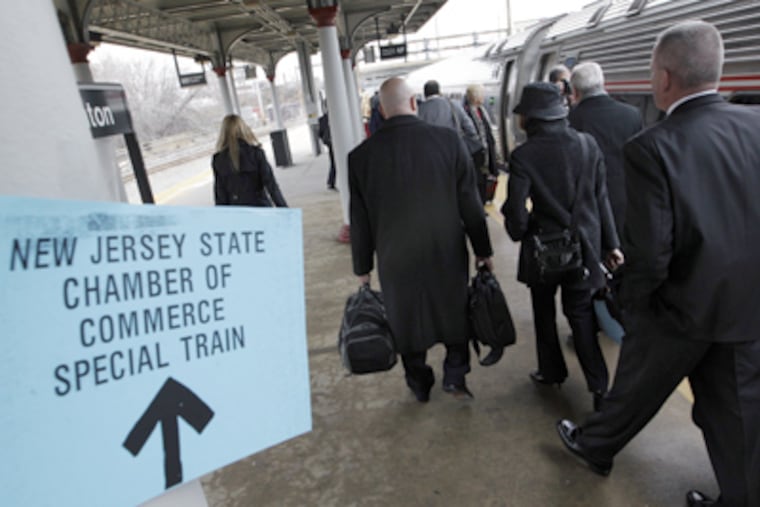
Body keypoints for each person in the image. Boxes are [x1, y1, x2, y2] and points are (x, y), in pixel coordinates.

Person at [556, 21, 760, 507]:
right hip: (747, 303)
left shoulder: (652, 147)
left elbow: (652, 254)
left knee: (637, 380)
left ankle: (596, 446)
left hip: (683, 306)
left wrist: (627, 298)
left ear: (664, 78)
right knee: (737, 413)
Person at [349, 77, 494, 402]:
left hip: (394, 256)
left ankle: (419, 382)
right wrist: (483, 250)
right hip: (445, 249)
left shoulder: (360, 157)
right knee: (454, 311)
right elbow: (470, 203)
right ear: (414, 102)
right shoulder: (448, 141)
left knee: (405, 319)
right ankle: (455, 376)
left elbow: (360, 220)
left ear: (382, 111)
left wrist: (362, 266)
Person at [501, 82, 623, 411]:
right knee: (582, 317)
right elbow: (601, 200)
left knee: (544, 313)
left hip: (544, 251)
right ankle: (599, 388)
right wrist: (611, 244)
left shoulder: (524, 155)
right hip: (584, 249)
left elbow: (515, 210)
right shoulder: (588, 145)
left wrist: (520, 231)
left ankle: (551, 370)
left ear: (530, 118)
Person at [569, 62, 643, 236]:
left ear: (576, 92)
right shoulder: (632, 115)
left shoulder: (570, 120)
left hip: (587, 208)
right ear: (603, 84)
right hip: (625, 202)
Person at [212, 114, 288, 207]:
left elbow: (220, 194)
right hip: (260, 208)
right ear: (243, 129)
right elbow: (271, 186)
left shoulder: (218, 159)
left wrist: (222, 217)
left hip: (237, 213)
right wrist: (285, 211)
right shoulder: (256, 153)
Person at [417, 79, 484, 158]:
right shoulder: (453, 105)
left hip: (430, 157)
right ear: (439, 92)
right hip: (454, 154)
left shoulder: (419, 111)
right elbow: (471, 129)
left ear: (425, 94)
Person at [464, 84, 499, 204]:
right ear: (475, 97)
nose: (484, 96)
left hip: (486, 152)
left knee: (484, 178)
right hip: (475, 153)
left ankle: (483, 201)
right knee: (477, 180)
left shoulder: (481, 110)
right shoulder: (467, 112)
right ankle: (479, 204)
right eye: (482, 94)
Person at [318, 111, 336, 190]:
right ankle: (331, 181)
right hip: (336, 142)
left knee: (333, 163)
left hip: (329, 143)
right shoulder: (337, 115)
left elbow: (320, 133)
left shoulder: (322, 119)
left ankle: (330, 182)